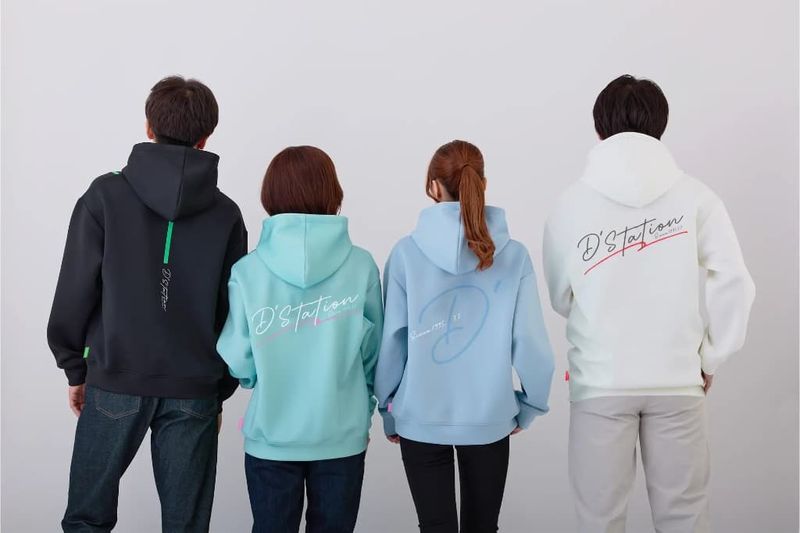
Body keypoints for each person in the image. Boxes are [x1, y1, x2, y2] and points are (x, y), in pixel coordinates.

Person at [543, 74, 756, 533]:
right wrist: (711, 356)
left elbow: (561, 295)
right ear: (661, 125)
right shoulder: (697, 197)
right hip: (677, 380)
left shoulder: (570, 204)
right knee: (685, 520)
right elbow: (734, 279)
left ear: (599, 128)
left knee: (599, 522)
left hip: (600, 380)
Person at [47, 75, 247, 532]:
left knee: (86, 520)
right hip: (194, 388)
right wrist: (218, 388)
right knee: (186, 525)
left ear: (148, 127)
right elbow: (231, 310)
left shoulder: (104, 196)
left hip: (114, 378)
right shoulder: (226, 213)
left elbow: (75, 290)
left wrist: (75, 368)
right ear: (206, 137)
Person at [375, 140, 555, 533]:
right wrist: (529, 406)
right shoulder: (514, 255)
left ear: (433, 186)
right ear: (482, 184)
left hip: (420, 417)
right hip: (489, 416)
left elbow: (392, 343)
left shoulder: (405, 254)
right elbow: (531, 344)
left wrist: (388, 409)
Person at [217, 146, 382, 533]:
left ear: (270, 194)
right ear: (332, 191)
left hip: (271, 434)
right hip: (341, 433)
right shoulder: (361, 266)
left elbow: (239, 358)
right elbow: (373, 355)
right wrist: (364, 401)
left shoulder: (248, 270)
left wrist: (260, 372)